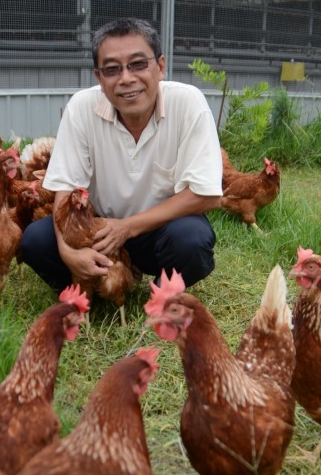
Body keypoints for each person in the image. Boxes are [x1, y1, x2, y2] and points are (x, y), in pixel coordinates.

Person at [19, 17, 223, 294]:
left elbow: (207, 194)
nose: (127, 79)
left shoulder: (188, 104)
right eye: (112, 69)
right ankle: (97, 286)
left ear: (160, 66)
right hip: (96, 230)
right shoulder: (81, 108)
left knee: (192, 239)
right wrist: (68, 251)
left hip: (159, 228)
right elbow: (65, 188)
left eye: (138, 64)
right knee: (35, 241)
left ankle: (159, 296)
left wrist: (126, 228)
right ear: (99, 78)